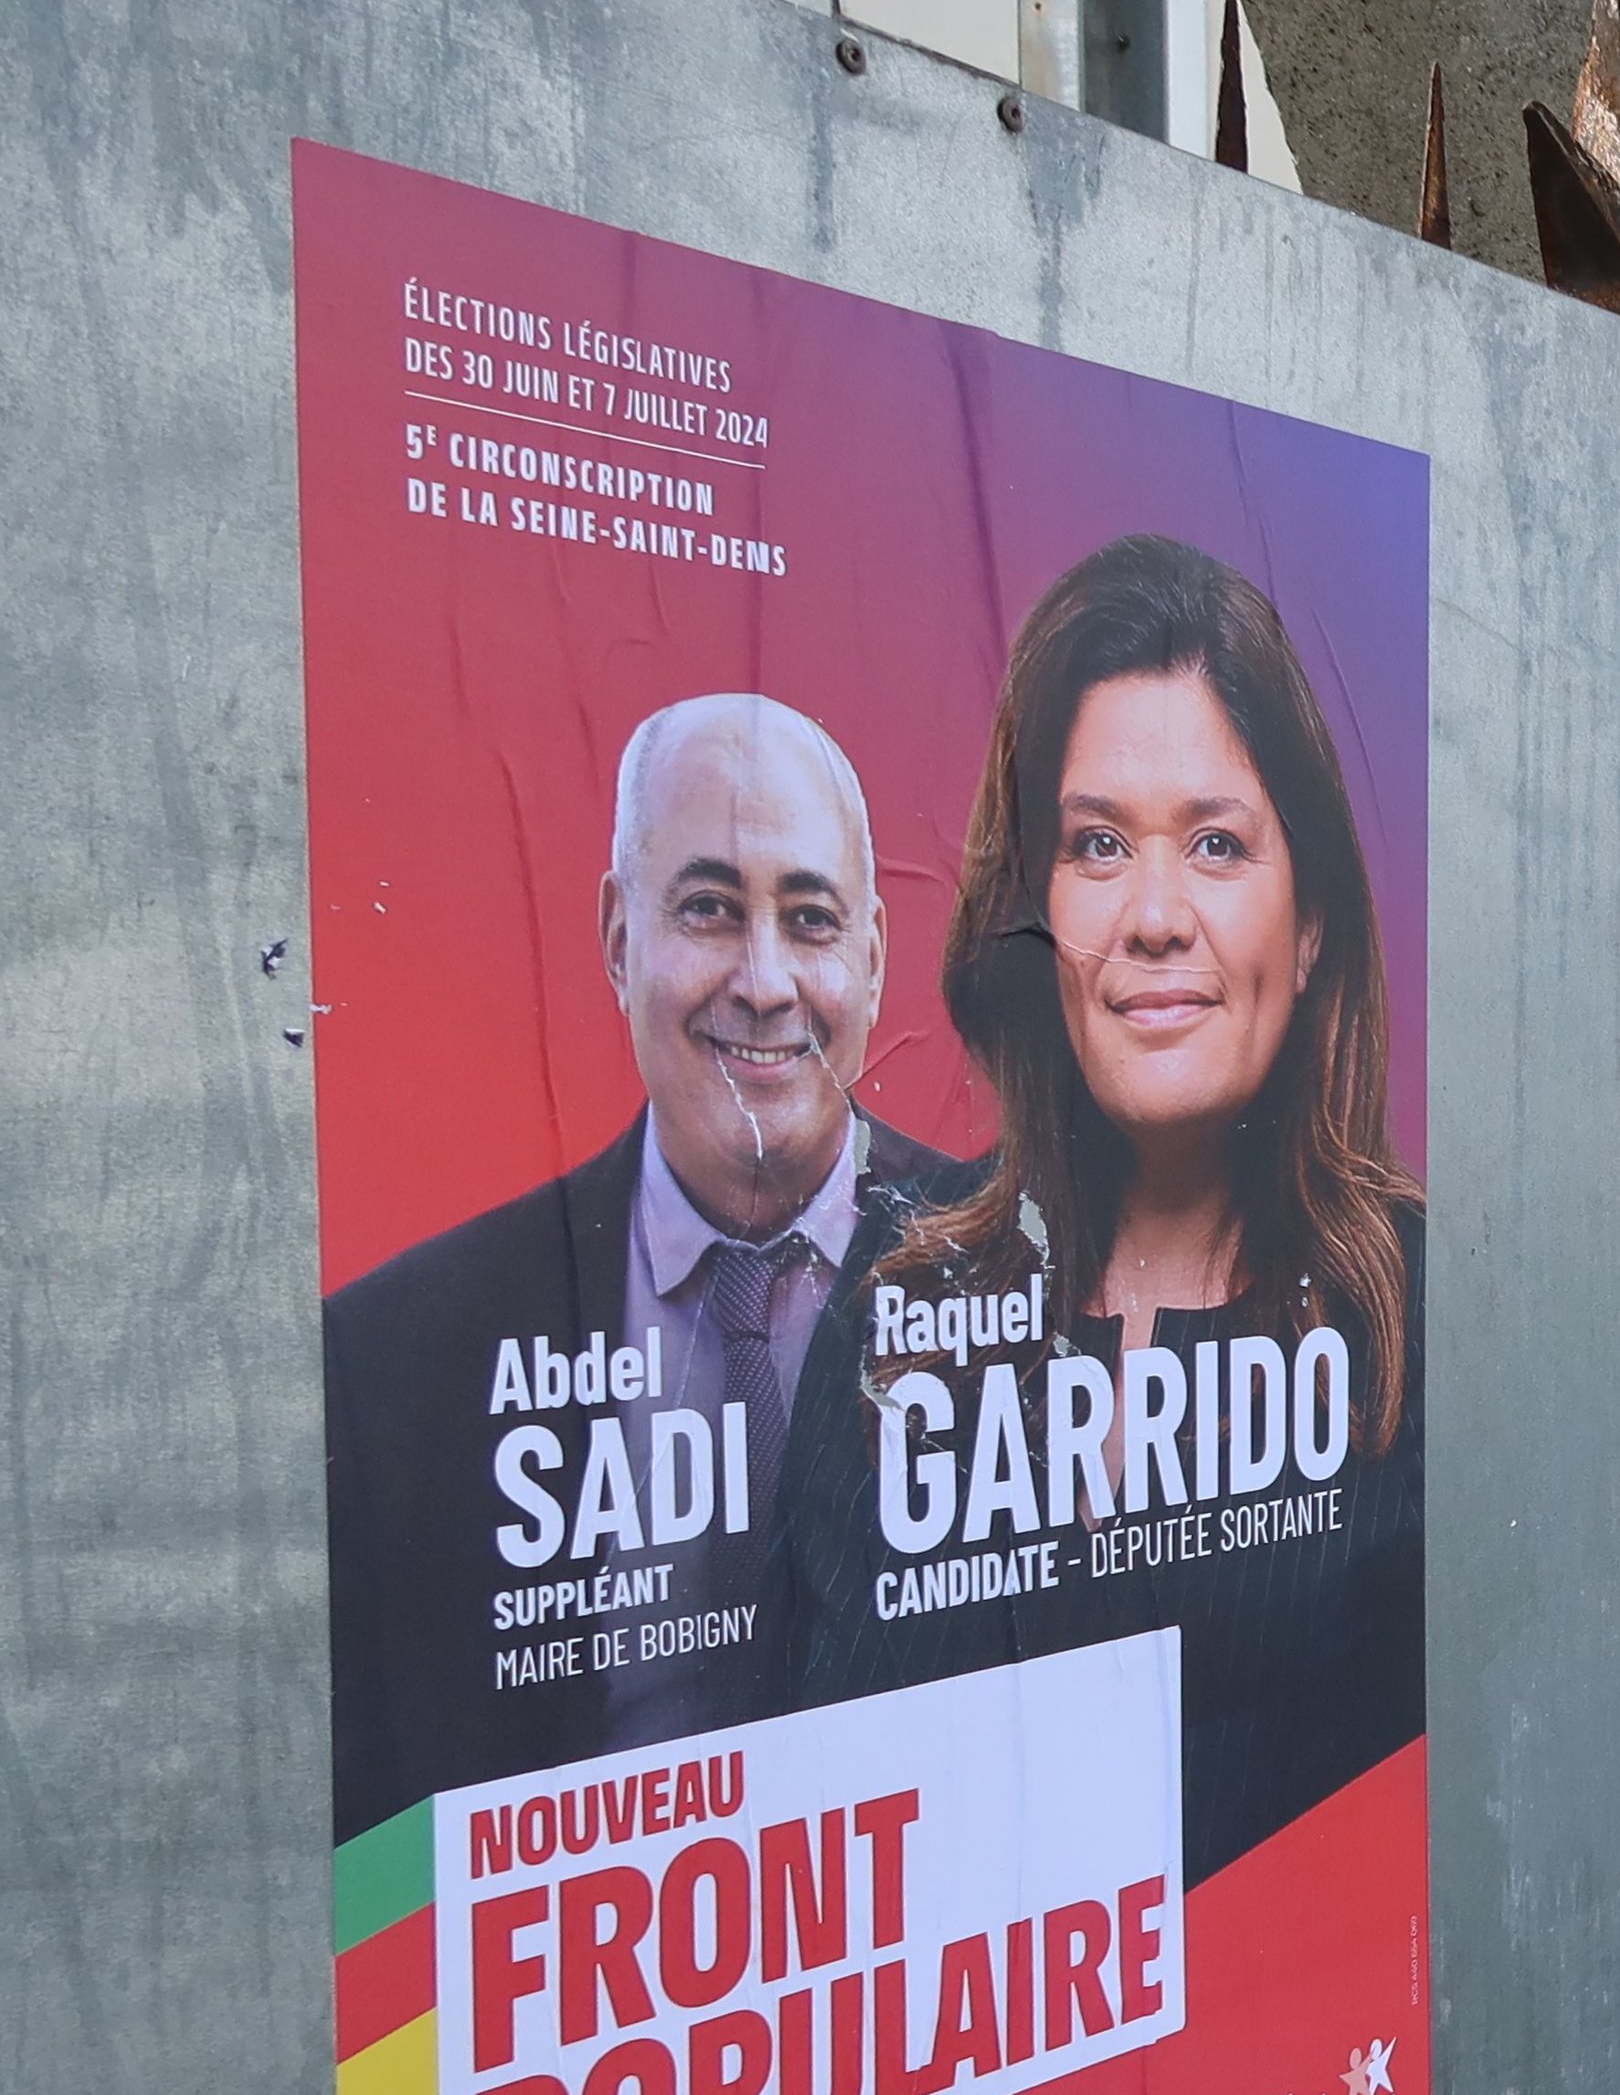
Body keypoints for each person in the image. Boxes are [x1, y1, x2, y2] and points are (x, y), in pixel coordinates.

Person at [790, 534, 1423, 1884]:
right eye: (1095, 845)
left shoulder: (1421, 1322)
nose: (1153, 916)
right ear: (1034, 910)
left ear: (1309, 923)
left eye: (1215, 843)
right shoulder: (897, 1318)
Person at [321, 695, 972, 1842]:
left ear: (873, 960)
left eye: (811, 920)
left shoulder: (1031, 1273)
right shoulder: (385, 1365)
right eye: (711, 909)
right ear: (620, 938)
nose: (765, 982)